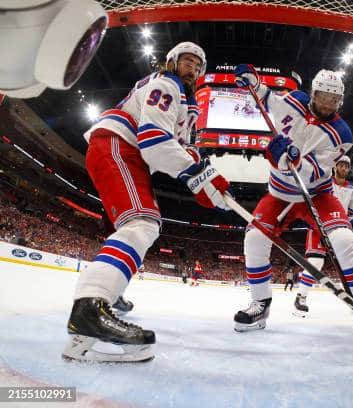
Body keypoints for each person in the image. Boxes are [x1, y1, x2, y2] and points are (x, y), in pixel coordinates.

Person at [62, 42, 231, 362]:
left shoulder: (187, 104)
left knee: (136, 225)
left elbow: (181, 152)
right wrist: (198, 175)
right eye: (186, 61)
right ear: (172, 62)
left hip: (125, 152)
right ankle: (89, 308)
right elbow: (155, 142)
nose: (192, 67)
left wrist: (210, 187)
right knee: (142, 222)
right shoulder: (168, 84)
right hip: (118, 145)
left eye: (197, 64)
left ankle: (104, 303)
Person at [232, 65, 353, 332]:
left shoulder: (343, 134)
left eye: (333, 99)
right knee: (254, 237)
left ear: (339, 101)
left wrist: (293, 160)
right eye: (323, 96)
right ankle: (260, 304)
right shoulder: (295, 100)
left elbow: (317, 171)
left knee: (344, 240)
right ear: (313, 94)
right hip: (280, 194)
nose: (327, 104)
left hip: (317, 194)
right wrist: (254, 83)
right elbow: (271, 100)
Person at [293, 155, 353, 316]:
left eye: (347, 166)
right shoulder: (325, 182)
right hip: (319, 225)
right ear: (335, 166)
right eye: (341, 165)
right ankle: (301, 297)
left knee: (349, 264)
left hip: (341, 229)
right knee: (315, 262)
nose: (344, 168)